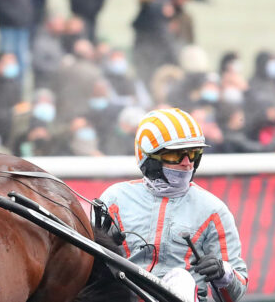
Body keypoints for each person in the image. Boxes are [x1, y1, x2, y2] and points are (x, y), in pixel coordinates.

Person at [99, 108, 248, 301]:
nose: (187, 163)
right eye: (175, 155)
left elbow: (233, 297)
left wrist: (223, 273)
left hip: (185, 294)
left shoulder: (214, 210)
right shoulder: (114, 200)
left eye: (193, 154)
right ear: (148, 157)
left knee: (182, 280)